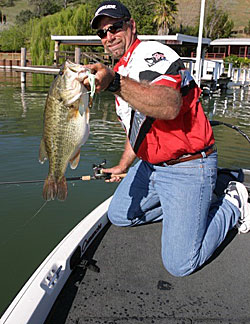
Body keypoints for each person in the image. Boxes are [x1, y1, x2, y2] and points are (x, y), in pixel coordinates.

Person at [84, 0, 250, 277]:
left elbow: (168, 105)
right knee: (120, 215)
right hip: (151, 167)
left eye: (115, 27)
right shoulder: (123, 67)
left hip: (187, 166)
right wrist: (124, 164)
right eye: (103, 32)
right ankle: (193, 206)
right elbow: (138, 125)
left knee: (181, 263)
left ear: (131, 26)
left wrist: (115, 83)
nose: (109, 36)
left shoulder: (152, 54)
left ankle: (232, 202)